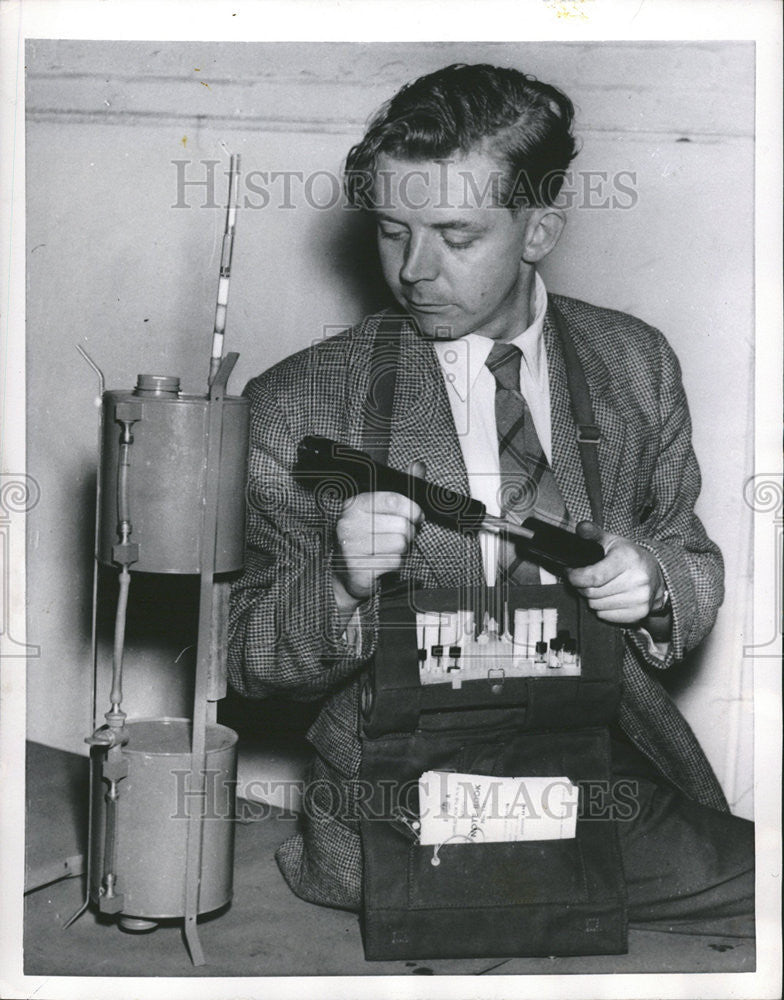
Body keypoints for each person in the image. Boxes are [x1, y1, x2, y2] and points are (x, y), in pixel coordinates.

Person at [228, 63, 754, 936]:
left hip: (601, 757)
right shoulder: (298, 404)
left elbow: (685, 547)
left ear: (539, 229)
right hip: (410, 788)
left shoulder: (636, 364)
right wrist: (341, 582)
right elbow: (242, 652)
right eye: (392, 231)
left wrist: (654, 580)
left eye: (455, 235)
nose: (414, 270)